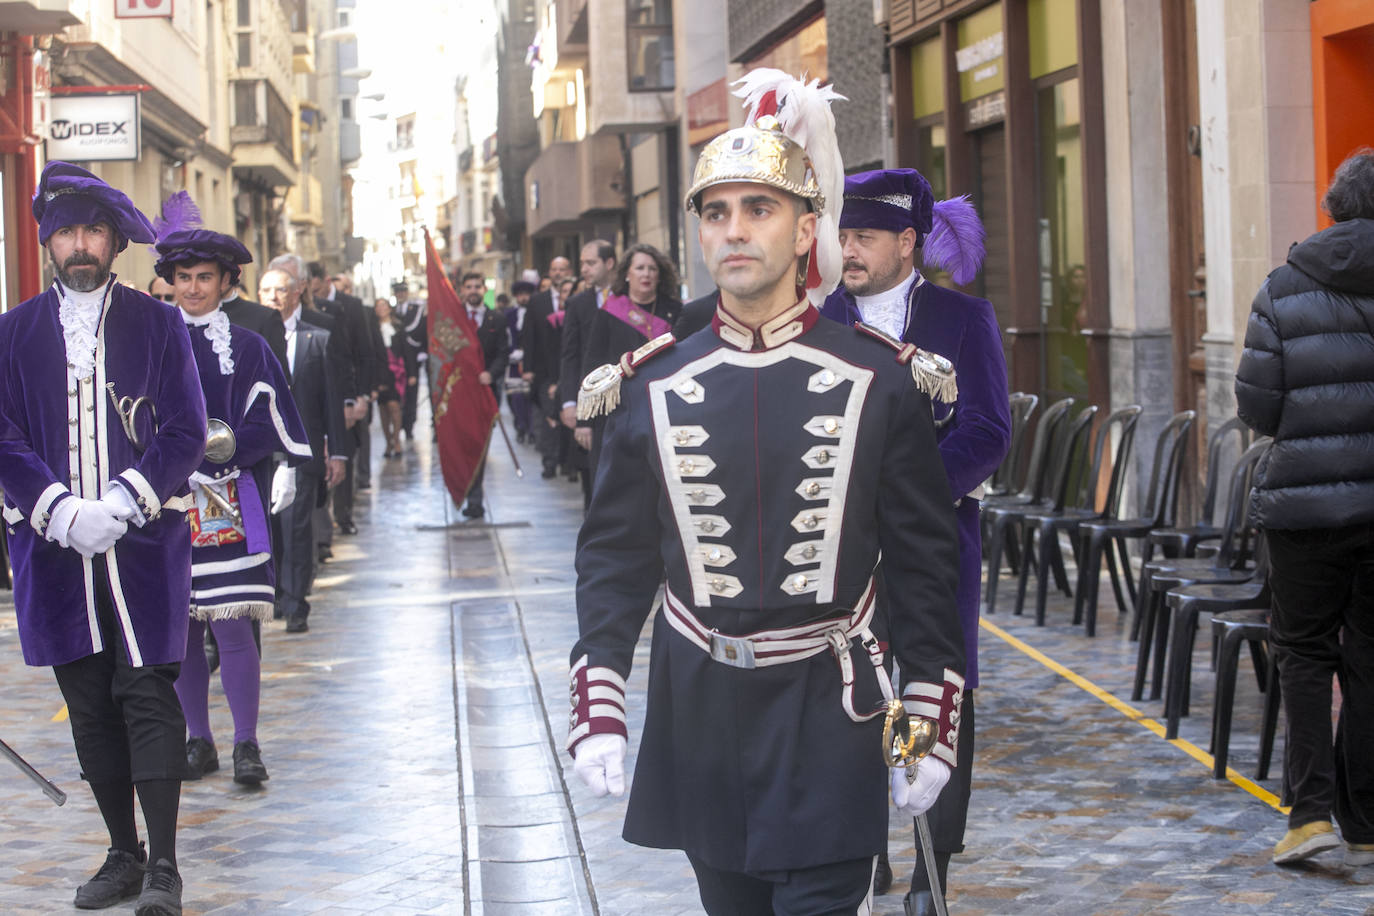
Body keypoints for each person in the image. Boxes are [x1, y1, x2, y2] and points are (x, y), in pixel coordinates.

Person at [567, 72, 964, 914]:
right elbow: (615, 557)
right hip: (700, 710)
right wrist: (599, 691)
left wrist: (926, 719)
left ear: (806, 228)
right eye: (716, 213)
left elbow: (926, 571)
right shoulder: (651, 381)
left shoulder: (879, 378)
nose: (735, 231)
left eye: (759, 209)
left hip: (834, 708)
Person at [0, 161, 207, 915]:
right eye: (66, 233)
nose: (80, 245)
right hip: (52, 552)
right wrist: (58, 508)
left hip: (143, 546)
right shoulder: (12, 332)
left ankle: (165, 867)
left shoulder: (157, 324)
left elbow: (185, 428)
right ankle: (123, 852)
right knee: (89, 704)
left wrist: (125, 500)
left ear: (115, 241)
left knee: (147, 693)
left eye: (93, 231)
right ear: (49, 244)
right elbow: (4, 434)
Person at [820, 168, 1011, 910]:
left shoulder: (965, 319)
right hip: (842, 556)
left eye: (864, 236)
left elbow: (988, 432)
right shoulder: (820, 319)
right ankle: (864, 850)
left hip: (935, 548)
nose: (849, 249)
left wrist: (912, 501)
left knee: (939, 696)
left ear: (908, 241)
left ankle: (934, 870)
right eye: (843, 235)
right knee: (852, 699)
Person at [1235, 148, 1374, 868]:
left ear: (1334, 206)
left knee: (1305, 655)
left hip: (1304, 508)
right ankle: (1367, 817)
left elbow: (1257, 405)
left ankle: (1311, 815)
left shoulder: (1285, 285)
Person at [150, 207, 310, 787]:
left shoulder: (247, 345)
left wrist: (231, 451)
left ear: (225, 283)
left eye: (205, 278)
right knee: (184, 626)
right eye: (184, 277)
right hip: (163, 501)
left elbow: (276, 415)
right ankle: (199, 739)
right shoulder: (147, 341)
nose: (193, 288)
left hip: (227, 498)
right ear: (171, 279)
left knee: (233, 624)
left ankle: (246, 743)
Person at [258, 267, 348, 633]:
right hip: (263, 452)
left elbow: (331, 400)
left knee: (297, 528)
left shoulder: (318, 339)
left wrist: (338, 452)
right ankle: (278, 593)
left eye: (279, 290)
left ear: (297, 293)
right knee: (272, 528)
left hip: (303, 450)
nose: (272, 297)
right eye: (265, 290)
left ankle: (297, 603)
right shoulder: (250, 337)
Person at [309, 261, 373, 535]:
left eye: (316, 288)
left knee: (343, 450)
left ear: (325, 281)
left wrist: (360, 396)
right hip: (315, 395)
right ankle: (323, 530)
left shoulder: (350, 307)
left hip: (345, 391)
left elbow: (362, 353)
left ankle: (344, 514)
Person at [558, 242, 617, 504]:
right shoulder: (577, 304)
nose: (584, 269)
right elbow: (570, 356)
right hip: (590, 401)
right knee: (592, 478)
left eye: (590, 263)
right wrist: (571, 402)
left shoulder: (627, 300)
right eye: (582, 263)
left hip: (625, 396)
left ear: (610, 263)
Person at [457, 271, 510, 519]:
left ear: (484, 289)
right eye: (469, 286)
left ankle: (475, 498)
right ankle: (466, 492)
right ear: (462, 290)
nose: (474, 290)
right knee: (462, 444)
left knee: (480, 444)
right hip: (459, 394)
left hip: (487, 392)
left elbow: (503, 352)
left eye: (478, 286)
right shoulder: (453, 319)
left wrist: (492, 373)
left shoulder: (496, 319)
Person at [372, 297, 415, 458]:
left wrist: (412, 373)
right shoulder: (373, 328)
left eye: (384, 305)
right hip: (379, 371)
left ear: (389, 308)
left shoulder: (398, 327)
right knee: (383, 408)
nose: (381, 308)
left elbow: (406, 350)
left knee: (394, 406)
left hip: (396, 371)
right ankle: (388, 441)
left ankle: (396, 440)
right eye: (378, 306)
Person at [395, 282, 428, 439]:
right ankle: (398, 424)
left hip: (413, 356)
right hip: (396, 358)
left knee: (411, 390)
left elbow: (422, 329)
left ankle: (409, 424)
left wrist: (422, 350)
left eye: (402, 291)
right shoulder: (392, 311)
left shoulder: (416, 309)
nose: (400, 294)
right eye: (397, 292)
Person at [505, 284, 534, 444]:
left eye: (526, 294)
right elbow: (506, 337)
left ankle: (531, 429)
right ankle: (520, 426)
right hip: (514, 363)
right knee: (515, 397)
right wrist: (511, 352)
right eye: (520, 294)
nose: (523, 298)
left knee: (529, 398)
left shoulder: (535, 312)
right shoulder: (509, 314)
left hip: (531, 363)